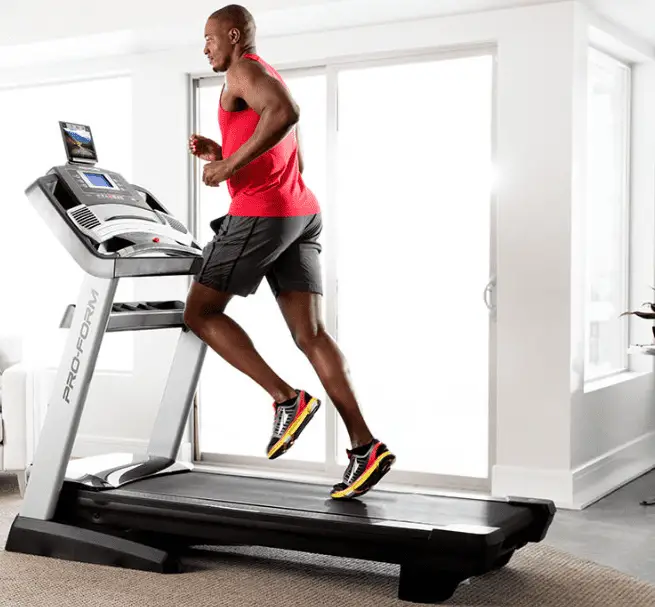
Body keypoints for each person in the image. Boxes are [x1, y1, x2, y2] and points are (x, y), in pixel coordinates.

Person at [184, 4, 395, 499]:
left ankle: (286, 399)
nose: (206, 47)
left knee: (199, 313)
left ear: (234, 36)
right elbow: (282, 147)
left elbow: (286, 114)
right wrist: (223, 156)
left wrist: (228, 163)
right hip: (299, 212)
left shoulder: (245, 69)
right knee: (312, 334)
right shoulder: (261, 75)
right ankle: (365, 446)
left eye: (210, 39)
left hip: (263, 215)